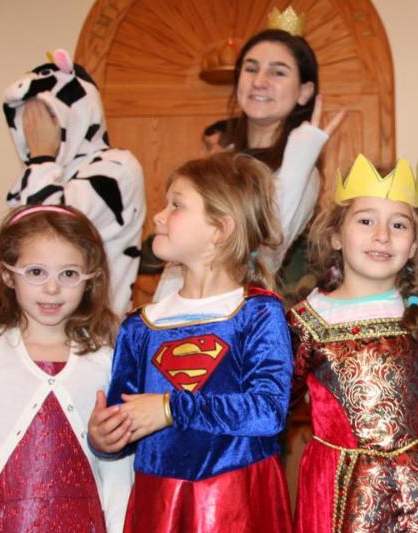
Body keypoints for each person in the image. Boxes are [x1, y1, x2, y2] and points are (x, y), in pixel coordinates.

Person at [88, 152, 293, 532]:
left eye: (176, 205)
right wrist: (105, 437)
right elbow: (125, 419)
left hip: (237, 501)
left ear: (220, 229)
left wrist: (171, 408)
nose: (158, 216)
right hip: (160, 502)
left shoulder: (257, 313)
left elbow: (268, 410)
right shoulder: (140, 326)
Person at [288, 154, 418, 532]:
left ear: (415, 245)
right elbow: (276, 404)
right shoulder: (308, 321)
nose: (382, 235)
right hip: (339, 497)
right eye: (366, 221)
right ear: (336, 235)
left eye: (398, 224)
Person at [154, 28, 345, 300]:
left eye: (278, 72)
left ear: (304, 92)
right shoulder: (222, 159)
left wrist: (300, 159)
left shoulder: (302, 172)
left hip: (231, 313)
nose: (259, 81)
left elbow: (265, 248)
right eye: (251, 69)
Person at [0, 205, 133, 533]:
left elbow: (117, 472)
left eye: (69, 274)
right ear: (7, 274)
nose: (52, 288)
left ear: (90, 279)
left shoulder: (105, 361)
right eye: (36, 272)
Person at [3, 49, 146, 315]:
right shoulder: (46, 174)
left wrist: (42, 157)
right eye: (27, 120)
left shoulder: (118, 167)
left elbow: (47, 228)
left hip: (94, 331)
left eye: (45, 117)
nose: (33, 130)